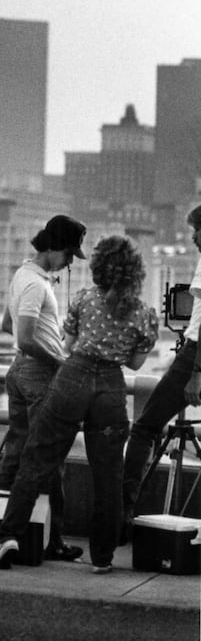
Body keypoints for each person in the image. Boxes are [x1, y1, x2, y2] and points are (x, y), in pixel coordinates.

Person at [0, 235, 158, 574]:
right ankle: (102, 557)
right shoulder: (144, 314)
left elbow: (67, 344)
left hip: (72, 378)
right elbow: (136, 363)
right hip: (110, 388)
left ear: (98, 268)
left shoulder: (83, 299)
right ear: (134, 273)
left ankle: (9, 536)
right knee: (108, 475)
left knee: (37, 459)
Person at [0, 214, 87, 561]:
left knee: (16, 452)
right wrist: (60, 362)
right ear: (54, 248)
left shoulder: (23, 274)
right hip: (39, 376)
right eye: (69, 255)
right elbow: (25, 338)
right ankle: (54, 540)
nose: (69, 263)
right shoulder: (36, 285)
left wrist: (44, 337)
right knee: (49, 459)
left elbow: (7, 324)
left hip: (19, 371)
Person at [123, 204, 201, 522]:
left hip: (194, 355)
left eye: (197, 230)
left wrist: (195, 373)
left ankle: (124, 511)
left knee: (145, 427)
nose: (194, 238)